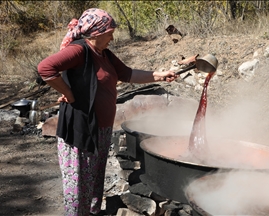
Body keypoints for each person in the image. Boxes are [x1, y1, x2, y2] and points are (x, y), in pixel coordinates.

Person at [37, 8, 178, 216]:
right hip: (80, 130)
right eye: (110, 32)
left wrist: (159, 75)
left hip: (101, 129)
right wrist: (67, 92)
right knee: (78, 186)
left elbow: (128, 74)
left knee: (94, 181)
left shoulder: (104, 54)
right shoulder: (80, 51)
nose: (112, 36)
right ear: (97, 32)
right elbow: (45, 68)